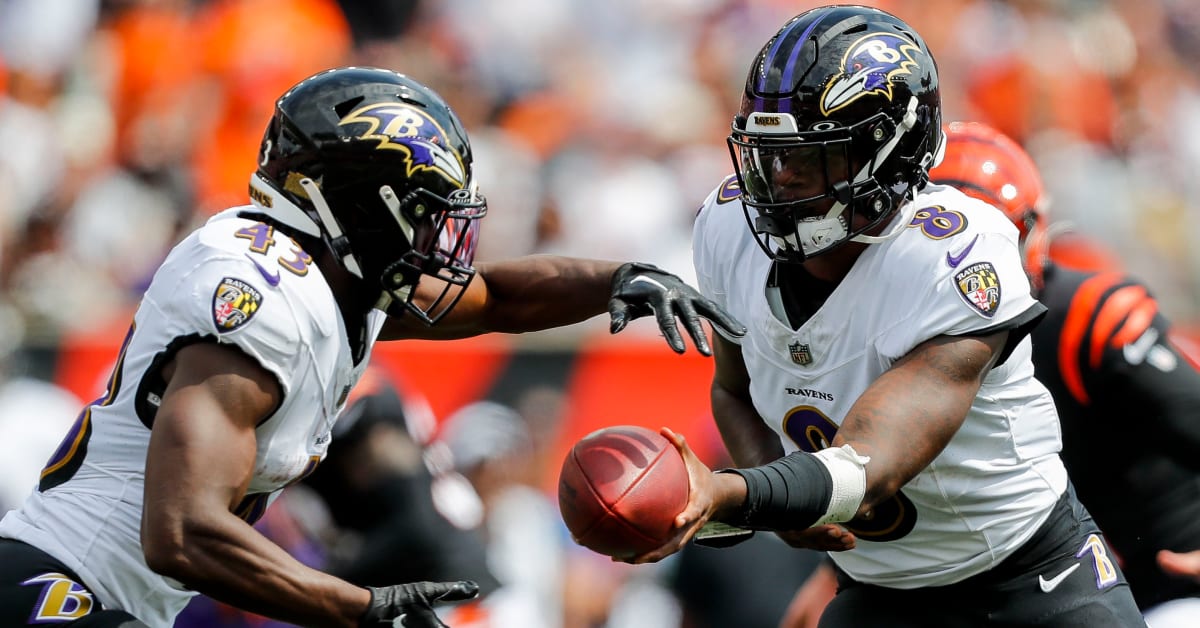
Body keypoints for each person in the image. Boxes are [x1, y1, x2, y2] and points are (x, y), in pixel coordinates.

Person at [0, 66, 744, 628]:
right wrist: (359, 607)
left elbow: (496, 297)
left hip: (110, 596)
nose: (436, 243)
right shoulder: (261, 296)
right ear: (351, 204)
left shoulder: (329, 276)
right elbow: (183, 531)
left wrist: (619, 279)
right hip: (61, 585)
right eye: (421, 216)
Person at [632, 5, 1148, 627]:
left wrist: (727, 497)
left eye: (809, 157)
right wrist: (771, 490)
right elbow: (734, 391)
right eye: (769, 153)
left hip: (1032, 582)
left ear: (891, 152)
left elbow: (863, 470)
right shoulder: (727, 225)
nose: (779, 178)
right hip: (879, 592)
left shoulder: (956, 251)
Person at [928, 120, 1200, 625]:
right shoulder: (895, 336)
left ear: (1032, 238)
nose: (966, 275)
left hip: (1166, 581)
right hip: (1039, 589)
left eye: (988, 244)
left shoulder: (1086, 318)